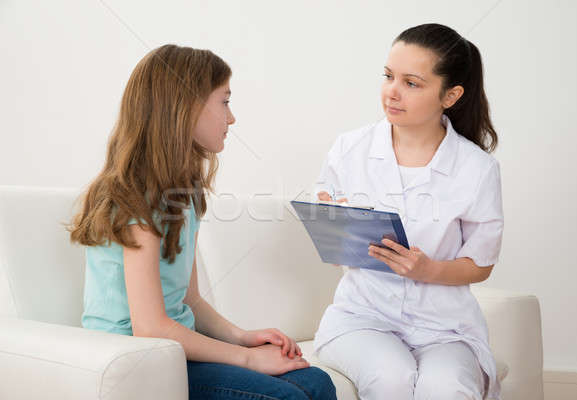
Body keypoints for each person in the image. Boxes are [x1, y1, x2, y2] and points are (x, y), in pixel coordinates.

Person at [69, 44, 336, 400]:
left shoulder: (182, 194)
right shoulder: (133, 198)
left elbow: (189, 301)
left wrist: (243, 337)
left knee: (317, 382)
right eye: (224, 102)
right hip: (137, 360)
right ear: (187, 108)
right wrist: (248, 359)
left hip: (175, 351)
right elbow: (150, 327)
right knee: (288, 396)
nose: (232, 118)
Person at [313, 23, 503, 400]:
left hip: (444, 327)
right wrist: (337, 229)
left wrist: (428, 270)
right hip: (362, 318)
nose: (392, 92)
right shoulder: (349, 149)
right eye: (388, 76)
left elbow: (480, 264)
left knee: (445, 388)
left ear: (450, 96)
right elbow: (333, 249)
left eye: (412, 83)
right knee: (392, 376)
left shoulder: (477, 168)